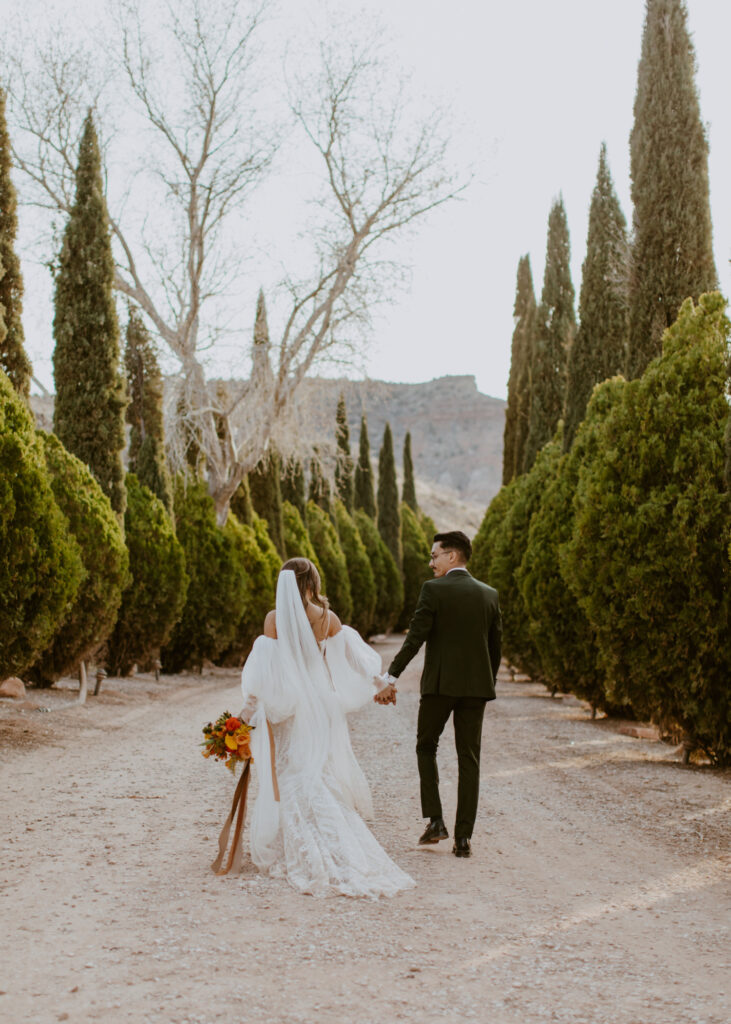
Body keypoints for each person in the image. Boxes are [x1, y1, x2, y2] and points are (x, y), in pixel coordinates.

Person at [239, 557, 414, 898]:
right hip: (320, 705)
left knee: (289, 771)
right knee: (317, 770)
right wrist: (379, 682)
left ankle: (295, 841)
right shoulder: (326, 618)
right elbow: (354, 657)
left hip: (290, 705)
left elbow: (265, 671)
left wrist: (249, 709)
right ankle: (334, 834)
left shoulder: (274, 620)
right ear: (312, 584)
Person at [376, 531, 501, 858]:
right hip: (476, 689)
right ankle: (463, 839)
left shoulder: (433, 590)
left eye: (435, 556)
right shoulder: (489, 595)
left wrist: (390, 677)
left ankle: (436, 821)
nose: (431, 563)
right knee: (469, 758)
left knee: (425, 745)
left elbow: (415, 639)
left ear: (453, 557)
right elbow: (495, 650)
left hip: (439, 687)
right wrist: (485, 683)